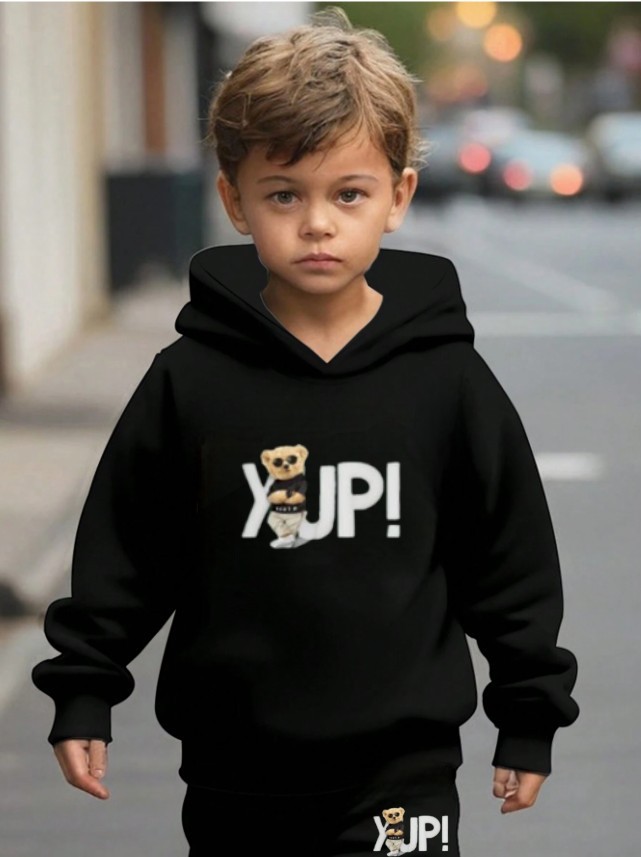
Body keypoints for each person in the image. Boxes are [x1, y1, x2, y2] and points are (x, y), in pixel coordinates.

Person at [31, 7, 580, 855]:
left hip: (404, 769)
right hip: (235, 773)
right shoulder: (191, 379)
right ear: (234, 201)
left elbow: (507, 561)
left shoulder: (445, 379)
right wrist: (84, 689)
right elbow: (128, 550)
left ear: (397, 197)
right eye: (284, 194)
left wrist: (528, 714)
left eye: (347, 193)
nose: (317, 222)